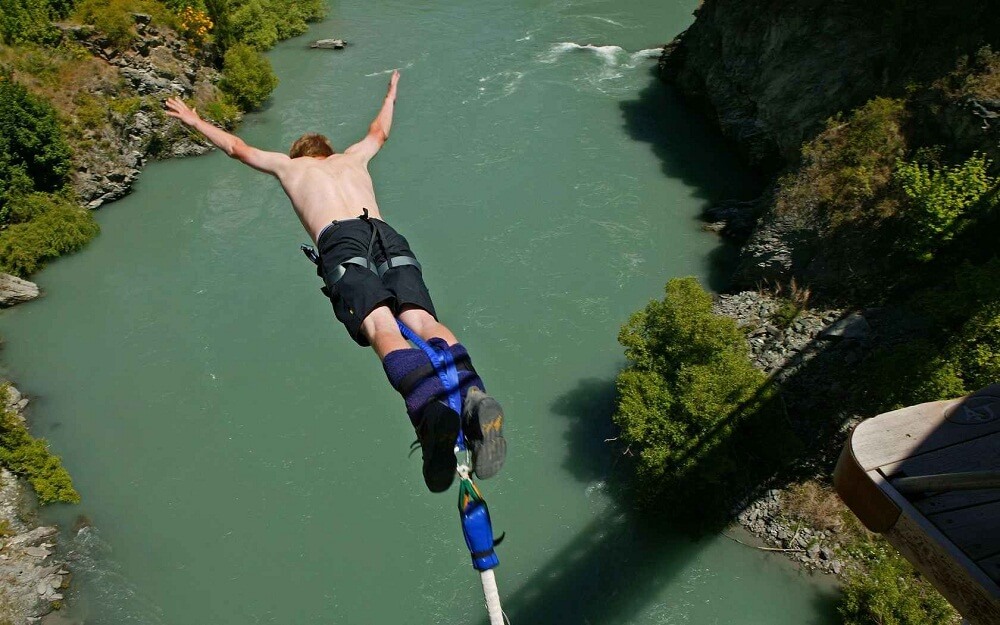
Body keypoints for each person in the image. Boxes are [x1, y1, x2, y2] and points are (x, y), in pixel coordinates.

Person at [165, 71, 505, 492]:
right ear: (328, 151)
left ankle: (429, 409)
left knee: (382, 327)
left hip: (341, 241)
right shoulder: (353, 158)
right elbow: (379, 131)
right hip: (385, 232)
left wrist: (194, 121)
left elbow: (237, 148)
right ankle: (473, 395)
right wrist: (392, 91)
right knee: (420, 319)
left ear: (302, 154)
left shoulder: (290, 166)